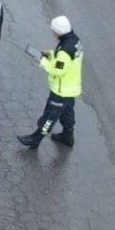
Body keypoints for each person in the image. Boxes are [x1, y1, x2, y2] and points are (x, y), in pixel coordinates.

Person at [19, 16, 83, 148]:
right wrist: (52, 55)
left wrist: (43, 61)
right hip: (71, 88)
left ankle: (36, 138)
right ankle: (67, 136)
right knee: (67, 112)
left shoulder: (65, 50)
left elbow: (58, 70)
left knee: (50, 115)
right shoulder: (74, 40)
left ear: (58, 31)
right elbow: (65, 62)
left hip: (61, 90)